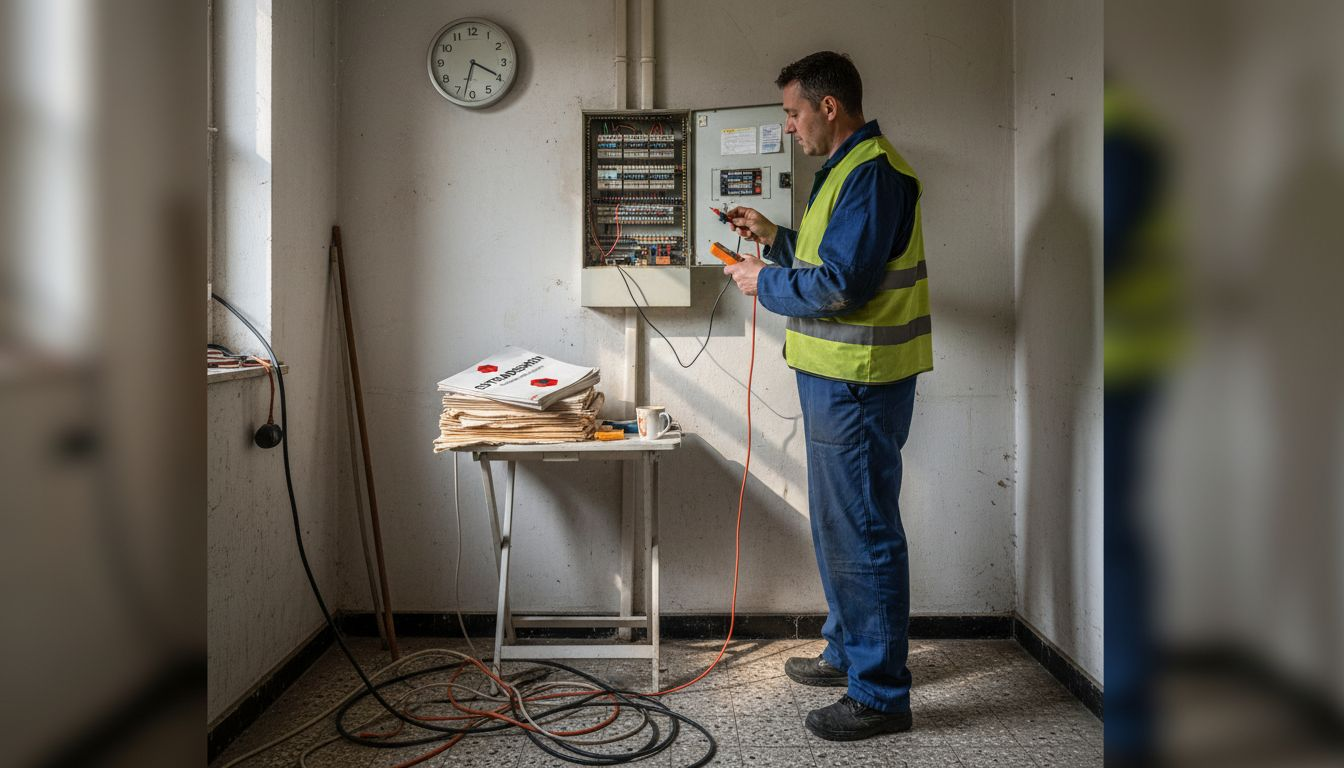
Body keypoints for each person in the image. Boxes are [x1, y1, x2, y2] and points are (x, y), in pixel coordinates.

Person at [722, 51, 932, 741]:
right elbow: (826, 260)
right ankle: (847, 650)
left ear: (828, 107)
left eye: (793, 112)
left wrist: (762, 281)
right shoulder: (842, 172)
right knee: (841, 525)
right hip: (835, 379)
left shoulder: (873, 174)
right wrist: (773, 239)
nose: (789, 126)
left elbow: (842, 285)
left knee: (863, 530)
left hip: (859, 381)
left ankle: (880, 695)